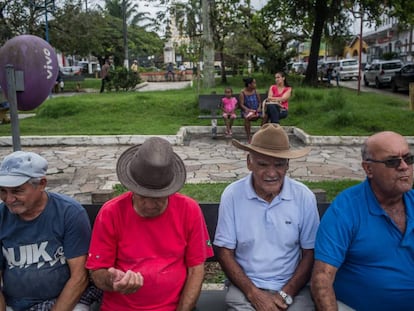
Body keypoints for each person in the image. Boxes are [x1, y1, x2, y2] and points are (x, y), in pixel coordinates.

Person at [86, 137, 214, 311]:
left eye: (158, 197)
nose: (149, 204)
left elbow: (196, 270)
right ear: (131, 187)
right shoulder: (111, 213)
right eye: (142, 195)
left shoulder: (189, 210)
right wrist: (112, 281)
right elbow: (97, 272)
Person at [214, 123, 320, 311]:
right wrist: (254, 293)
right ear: (249, 162)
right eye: (263, 164)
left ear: (288, 165)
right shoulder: (232, 195)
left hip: (292, 289)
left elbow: (310, 253)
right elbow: (224, 252)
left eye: (279, 165)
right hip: (245, 288)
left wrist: (286, 293)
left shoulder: (303, 196)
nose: (271, 173)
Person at [311, 131, 414, 311]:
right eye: (392, 161)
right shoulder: (346, 209)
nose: (404, 166)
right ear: (368, 169)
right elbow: (321, 279)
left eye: (408, 158)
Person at [0, 151, 101, 311]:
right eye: (3, 191)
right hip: (13, 302)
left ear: (41, 184)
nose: (9, 199)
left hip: (65, 301)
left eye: (17, 191)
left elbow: (79, 277)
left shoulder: (69, 213)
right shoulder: (1, 216)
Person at [239, 77, 262, 143]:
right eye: (254, 83)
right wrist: (249, 110)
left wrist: (259, 107)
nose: (255, 84)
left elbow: (260, 102)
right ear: (249, 85)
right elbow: (241, 104)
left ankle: (261, 134)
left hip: (256, 110)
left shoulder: (256, 92)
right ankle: (249, 136)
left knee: (265, 116)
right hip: (247, 111)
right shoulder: (242, 93)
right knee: (247, 118)